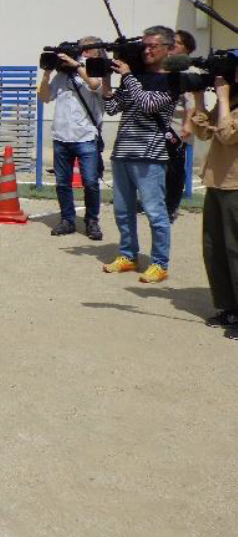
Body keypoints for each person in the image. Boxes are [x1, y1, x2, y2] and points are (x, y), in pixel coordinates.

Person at [101, 26, 179, 283]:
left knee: (155, 212)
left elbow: (147, 104)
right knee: (122, 211)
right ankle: (128, 255)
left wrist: (128, 77)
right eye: (144, 46)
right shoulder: (135, 78)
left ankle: (160, 263)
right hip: (122, 152)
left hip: (150, 155)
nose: (146, 50)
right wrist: (105, 79)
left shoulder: (173, 80)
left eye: (152, 46)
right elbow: (112, 107)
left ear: (169, 48)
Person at [37, 38, 105, 240]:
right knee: (62, 183)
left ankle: (92, 221)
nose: (83, 53)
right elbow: (44, 97)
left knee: (91, 182)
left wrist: (77, 65)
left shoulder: (95, 72)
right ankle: (67, 220)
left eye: (87, 51)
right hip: (61, 138)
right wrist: (47, 72)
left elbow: (94, 84)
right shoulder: (60, 77)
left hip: (86, 138)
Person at [190, 73, 237, 337]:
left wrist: (221, 97)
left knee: (237, 250)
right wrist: (198, 98)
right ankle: (228, 306)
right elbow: (203, 131)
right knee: (214, 247)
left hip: (238, 184)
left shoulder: (230, 100)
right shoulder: (230, 100)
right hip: (217, 181)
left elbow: (230, 134)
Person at [165, 29, 197, 221]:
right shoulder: (166, 68)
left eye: (176, 43)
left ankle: (172, 205)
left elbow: (191, 102)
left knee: (175, 169)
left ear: (186, 48)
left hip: (177, 127)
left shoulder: (189, 71)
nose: (171, 46)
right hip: (160, 126)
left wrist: (187, 125)